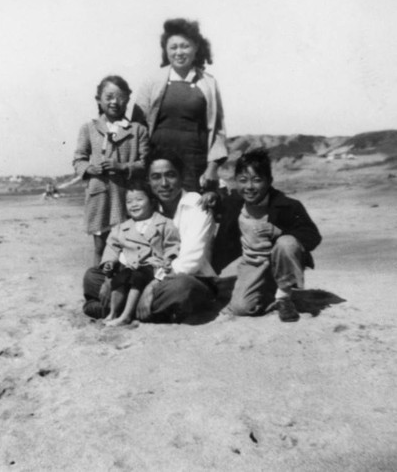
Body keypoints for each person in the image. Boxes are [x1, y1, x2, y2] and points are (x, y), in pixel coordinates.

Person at [82, 149, 217, 323]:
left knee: (182, 287)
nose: (164, 183)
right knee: (92, 276)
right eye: (156, 177)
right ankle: (139, 308)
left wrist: (153, 285)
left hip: (189, 278)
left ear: (181, 177)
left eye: (170, 175)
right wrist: (113, 278)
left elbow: (191, 262)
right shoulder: (148, 208)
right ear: (148, 180)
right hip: (141, 277)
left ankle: (121, 307)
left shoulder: (197, 206)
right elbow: (129, 246)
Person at [212, 149, 322, 322]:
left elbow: (312, 235)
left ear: (269, 181)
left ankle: (284, 297)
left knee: (287, 242)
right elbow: (217, 211)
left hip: (279, 263)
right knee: (241, 308)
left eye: (257, 180)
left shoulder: (287, 205)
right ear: (235, 182)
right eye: (243, 180)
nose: (249, 187)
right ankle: (270, 294)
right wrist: (210, 196)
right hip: (252, 265)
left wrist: (279, 232)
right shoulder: (234, 203)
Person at [133, 18, 227, 193]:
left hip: (195, 164)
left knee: (194, 212)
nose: (179, 52)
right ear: (166, 51)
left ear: (196, 48)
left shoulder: (209, 83)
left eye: (185, 46)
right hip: (158, 163)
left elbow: (218, 132)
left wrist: (212, 168)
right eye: (173, 47)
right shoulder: (151, 82)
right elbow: (137, 127)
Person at [73, 75, 150, 265]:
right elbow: (78, 160)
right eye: (109, 97)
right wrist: (90, 169)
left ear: (127, 99)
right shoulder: (89, 128)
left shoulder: (138, 130)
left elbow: (145, 164)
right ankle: (96, 288)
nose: (114, 102)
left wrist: (123, 167)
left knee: (129, 245)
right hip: (100, 197)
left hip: (127, 197)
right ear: (99, 99)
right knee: (100, 247)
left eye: (120, 97)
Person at [100, 181, 180, 326]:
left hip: (153, 268)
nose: (134, 204)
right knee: (120, 278)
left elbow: (172, 245)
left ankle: (126, 316)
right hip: (130, 266)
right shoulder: (121, 228)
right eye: (129, 201)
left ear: (152, 201)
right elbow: (112, 247)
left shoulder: (164, 223)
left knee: (137, 276)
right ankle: (113, 313)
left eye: (139, 199)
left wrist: (168, 258)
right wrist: (109, 262)